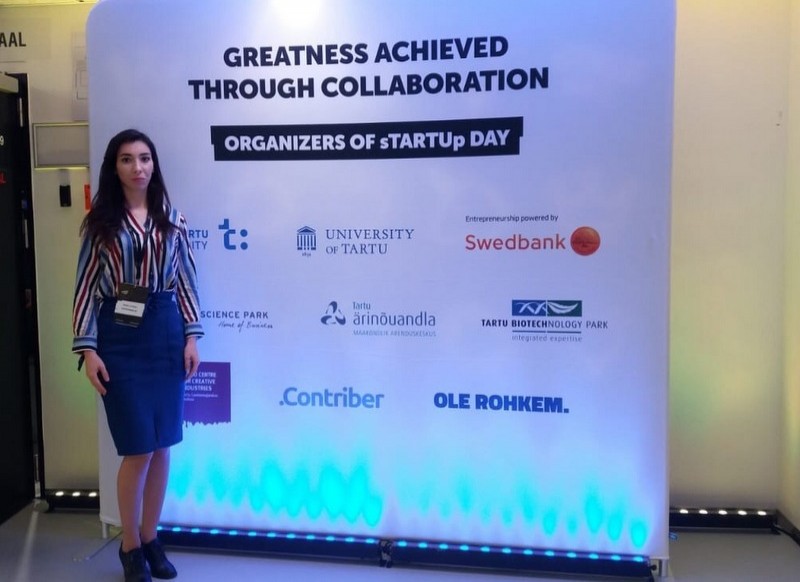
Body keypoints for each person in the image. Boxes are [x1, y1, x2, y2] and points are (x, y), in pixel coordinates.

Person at [72, 129, 203, 582]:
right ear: (115, 167)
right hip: (120, 338)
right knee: (138, 449)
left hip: (165, 333)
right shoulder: (100, 224)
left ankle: (151, 538)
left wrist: (191, 337)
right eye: (127, 159)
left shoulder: (173, 219)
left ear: (154, 164)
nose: (138, 167)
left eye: (144, 158)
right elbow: (85, 287)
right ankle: (129, 546)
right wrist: (88, 348)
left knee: (162, 445)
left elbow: (186, 281)